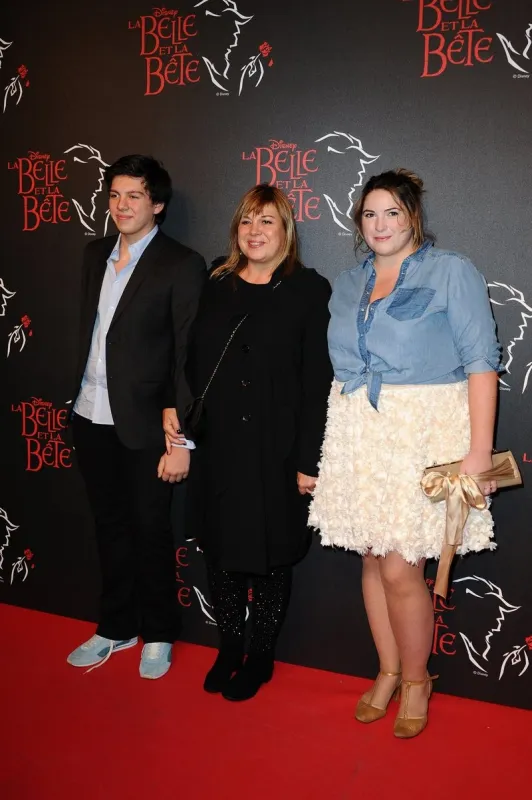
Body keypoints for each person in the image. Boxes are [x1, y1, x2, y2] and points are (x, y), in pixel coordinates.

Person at [309, 169, 501, 738]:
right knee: (372, 558)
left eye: (392, 212)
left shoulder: (452, 272)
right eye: (369, 214)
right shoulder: (348, 282)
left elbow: (482, 364)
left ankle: (418, 679)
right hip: (358, 434)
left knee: (400, 566)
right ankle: (388, 669)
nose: (380, 224)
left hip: (423, 432)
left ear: (413, 216)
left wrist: (478, 453)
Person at [164, 184, 332, 700]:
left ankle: (259, 658)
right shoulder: (215, 281)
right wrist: (177, 415)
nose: (255, 232)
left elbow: (316, 381)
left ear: (286, 231)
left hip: (276, 450)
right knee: (220, 551)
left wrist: (308, 459)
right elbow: (185, 356)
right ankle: (229, 648)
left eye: (267, 223)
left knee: (273, 556)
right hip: (219, 448)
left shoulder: (308, 289)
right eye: (246, 222)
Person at [67, 155, 206, 679]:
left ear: (158, 204)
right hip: (88, 413)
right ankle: (115, 626)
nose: (121, 206)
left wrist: (181, 440)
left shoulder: (180, 263)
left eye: (134, 196)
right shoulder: (94, 254)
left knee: (150, 529)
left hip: (149, 424)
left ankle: (160, 633)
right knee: (109, 527)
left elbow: (186, 354)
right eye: (115, 196)